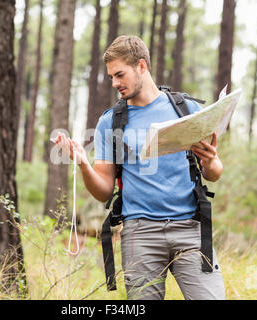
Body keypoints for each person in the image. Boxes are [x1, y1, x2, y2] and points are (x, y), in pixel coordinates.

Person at [54, 35, 225, 300]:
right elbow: (103, 192)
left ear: (141, 66)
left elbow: (212, 173)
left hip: (190, 230)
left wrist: (212, 160)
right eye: (111, 76)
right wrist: (83, 164)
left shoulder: (186, 109)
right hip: (140, 235)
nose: (115, 83)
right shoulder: (110, 123)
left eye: (120, 74)